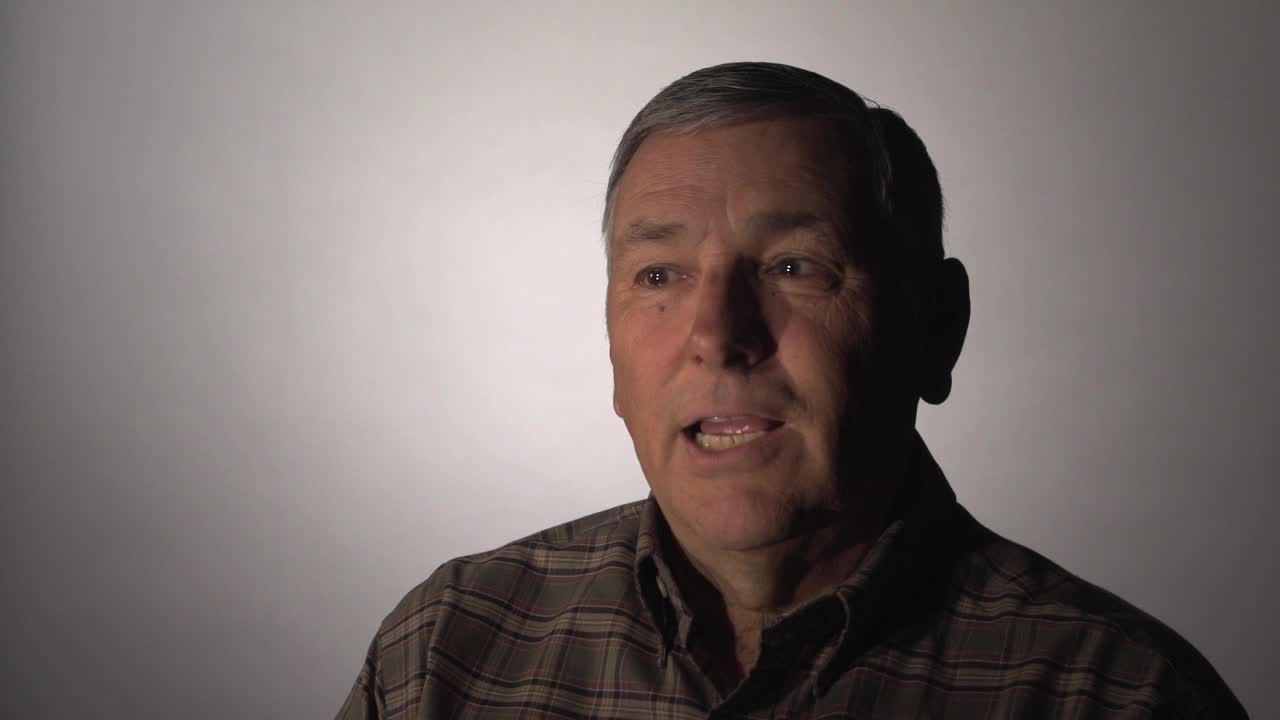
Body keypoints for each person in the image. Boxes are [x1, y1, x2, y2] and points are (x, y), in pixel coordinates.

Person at [337, 62, 1246, 719]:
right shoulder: (448, 651)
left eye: (794, 265)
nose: (717, 337)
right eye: (659, 276)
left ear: (937, 326)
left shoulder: (1115, 694)